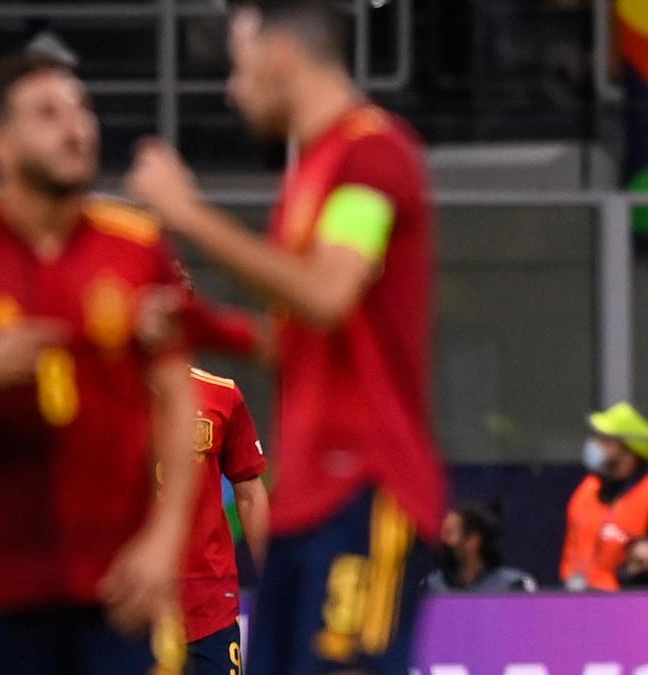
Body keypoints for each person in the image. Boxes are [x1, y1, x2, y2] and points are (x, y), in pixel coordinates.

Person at [125, 1, 447, 672]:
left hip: (366, 484)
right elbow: (293, 338)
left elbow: (327, 294)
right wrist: (201, 322)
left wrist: (187, 212)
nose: (231, 90)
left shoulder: (372, 152)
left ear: (279, 58)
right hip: (305, 499)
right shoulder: (310, 173)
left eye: (238, 69)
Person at [0, 51, 197, 675]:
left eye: (82, 109)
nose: (76, 127)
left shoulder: (137, 247)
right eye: (48, 114)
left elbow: (178, 399)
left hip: (116, 592)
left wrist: (164, 542)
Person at [180, 366, 268, 675]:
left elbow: (250, 492)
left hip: (210, 603)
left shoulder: (222, 394)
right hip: (132, 604)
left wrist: (271, 580)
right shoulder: (104, 393)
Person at [560, 402, 648, 591]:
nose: (595, 445)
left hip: (623, 607)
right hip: (570, 601)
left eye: (605, 440)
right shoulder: (586, 491)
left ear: (628, 450)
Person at [424, 503, 537, 593]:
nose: (443, 541)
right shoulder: (431, 585)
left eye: (449, 533)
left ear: (474, 540)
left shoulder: (514, 585)